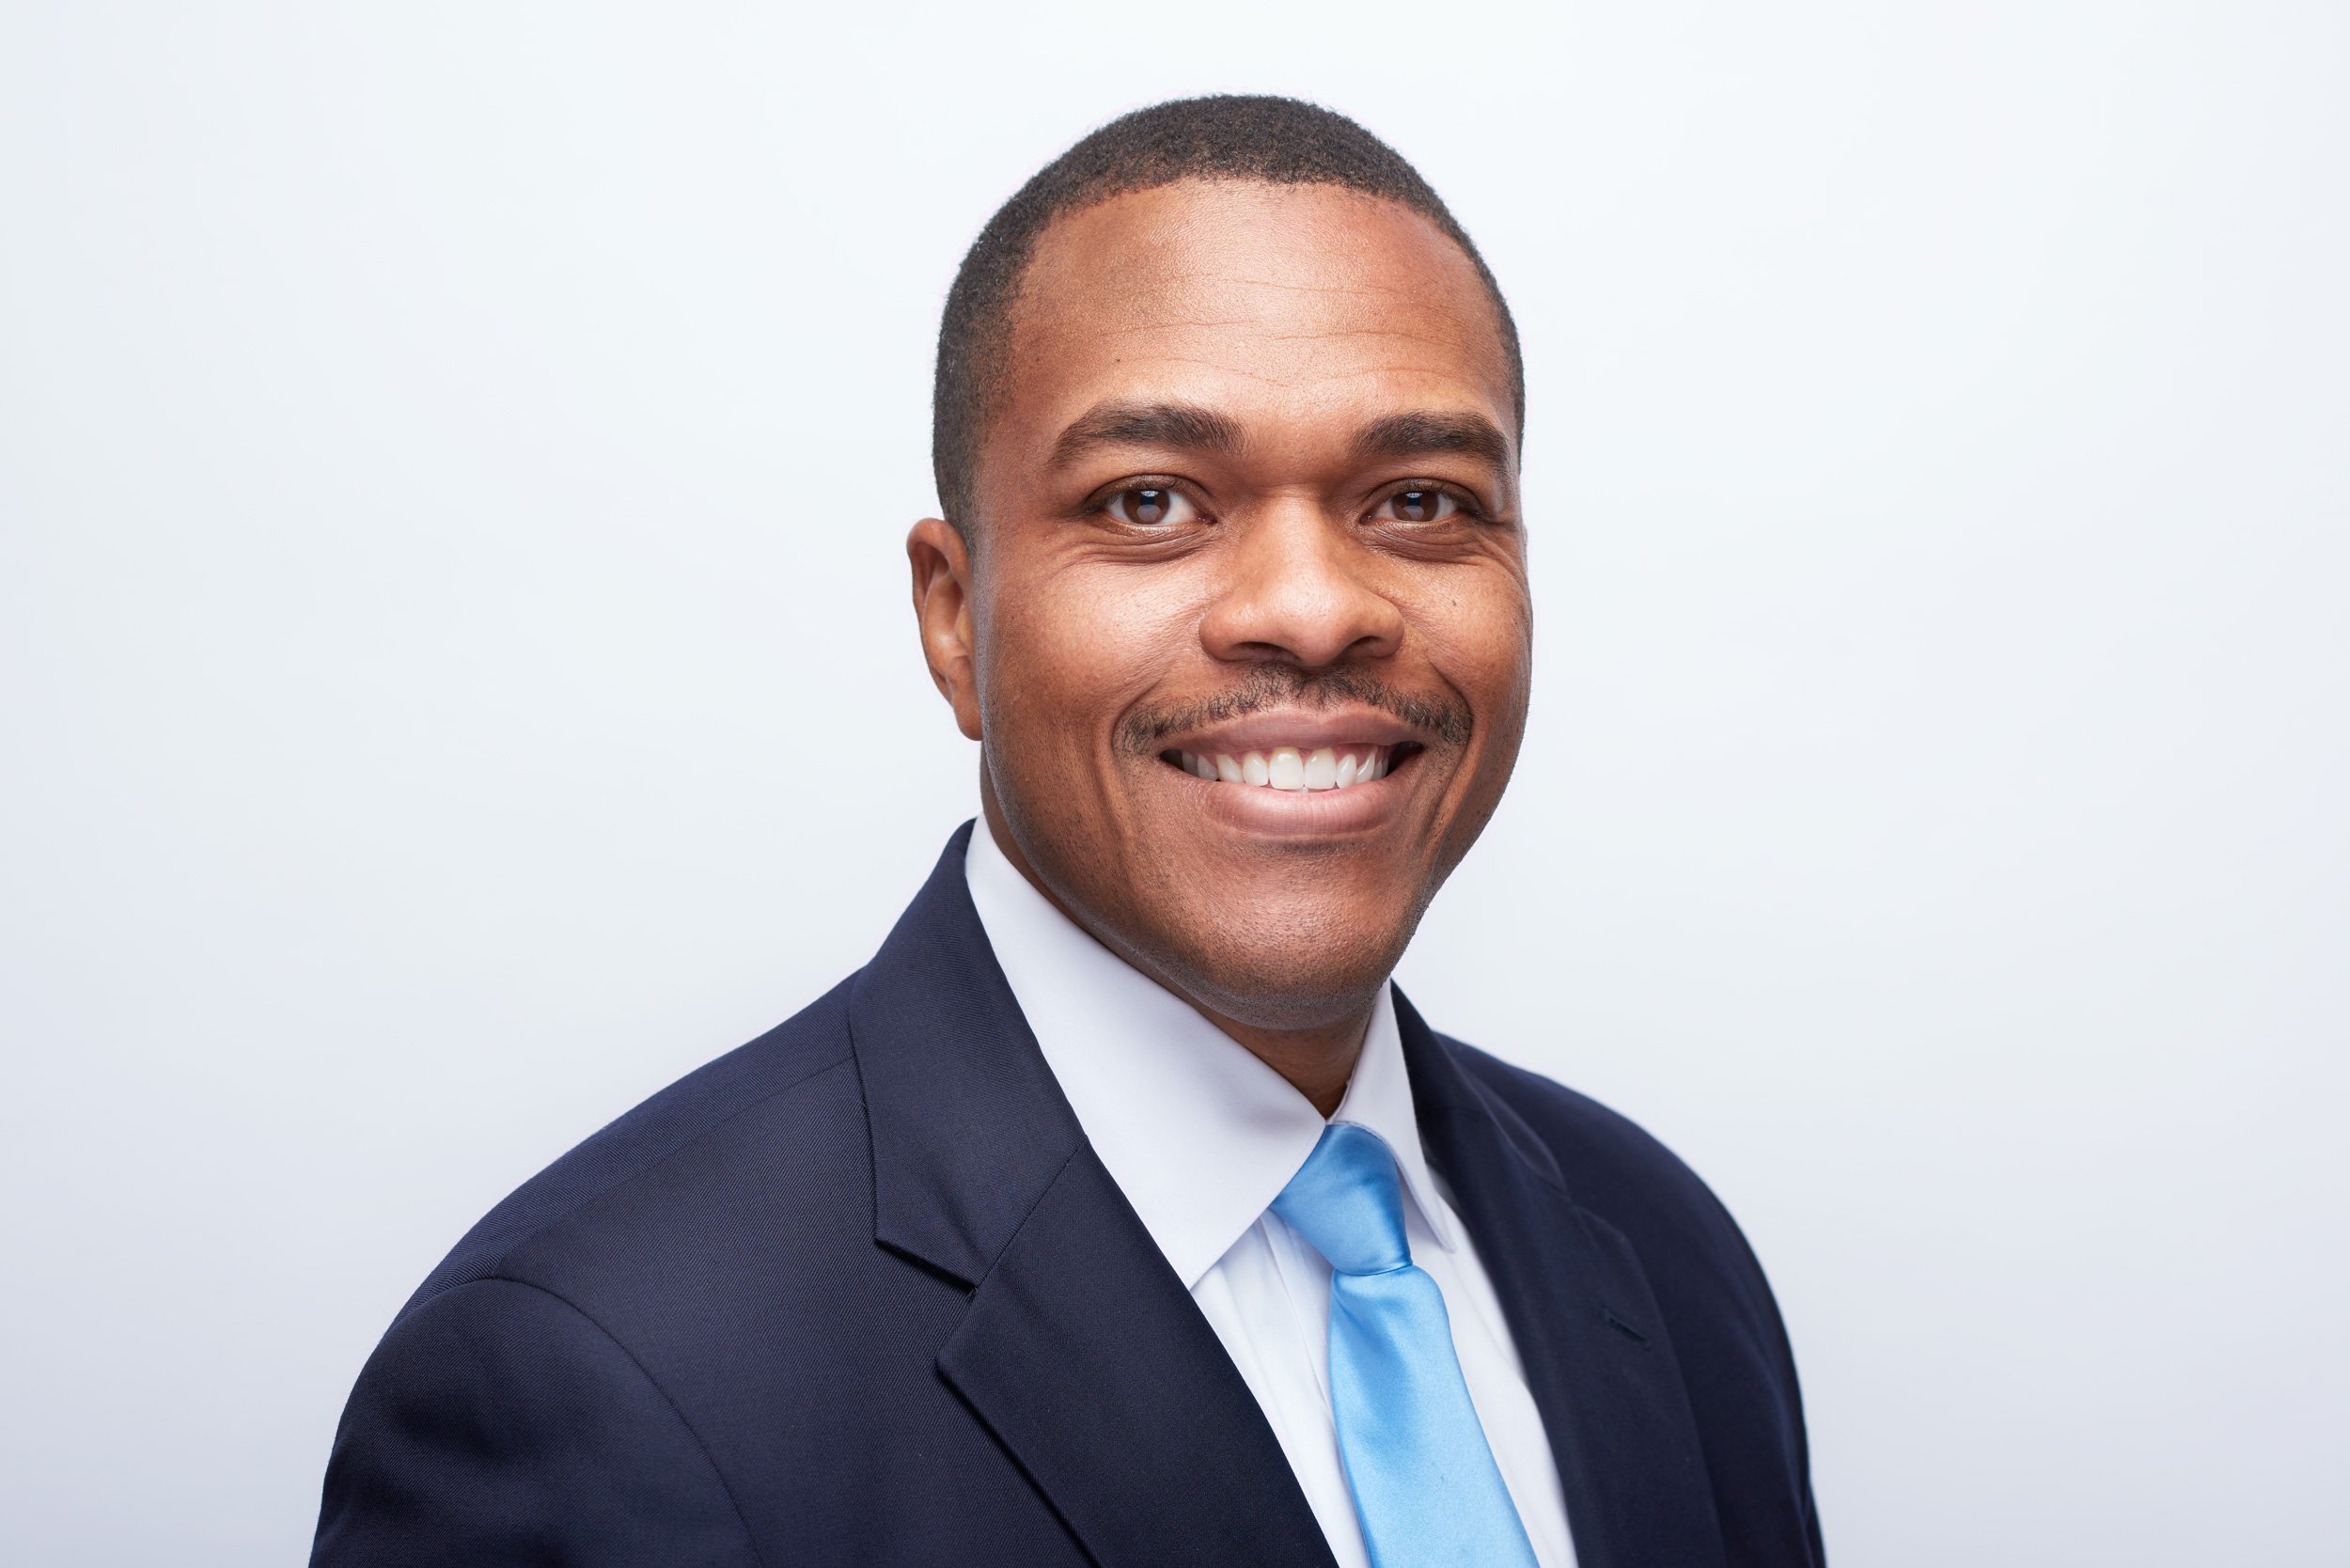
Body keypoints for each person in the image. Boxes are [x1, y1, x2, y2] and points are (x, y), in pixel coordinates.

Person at [310, 95, 1824, 1568]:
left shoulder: (1662, 1252)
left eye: (1421, 499)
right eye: (1153, 500)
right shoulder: (593, 1380)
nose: (1313, 606)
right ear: (955, 616)